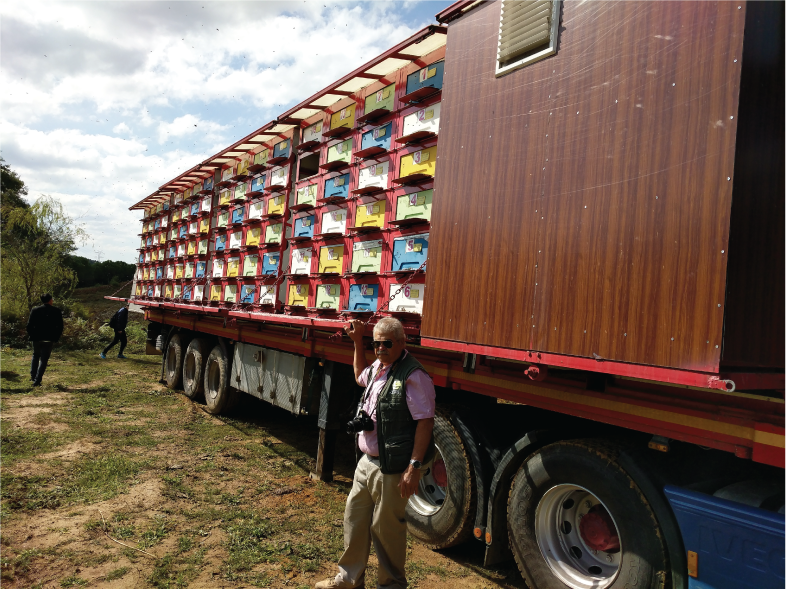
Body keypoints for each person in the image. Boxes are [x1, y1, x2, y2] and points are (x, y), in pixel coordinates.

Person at [316, 317, 435, 590]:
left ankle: (391, 585)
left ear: (402, 343)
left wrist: (413, 467)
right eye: (376, 343)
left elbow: (425, 422)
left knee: (387, 531)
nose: (380, 348)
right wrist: (358, 342)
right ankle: (349, 580)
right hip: (366, 463)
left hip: (392, 468)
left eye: (387, 344)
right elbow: (360, 377)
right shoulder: (379, 367)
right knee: (354, 520)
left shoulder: (413, 376)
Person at [26, 293, 64, 387]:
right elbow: (60, 327)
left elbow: (29, 325)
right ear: (50, 300)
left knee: (35, 355)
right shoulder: (56, 311)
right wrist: (56, 337)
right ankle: (37, 381)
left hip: (36, 338)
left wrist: (32, 335)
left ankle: (33, 376)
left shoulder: (35, 310)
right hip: (49, 338)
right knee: (44, 360)